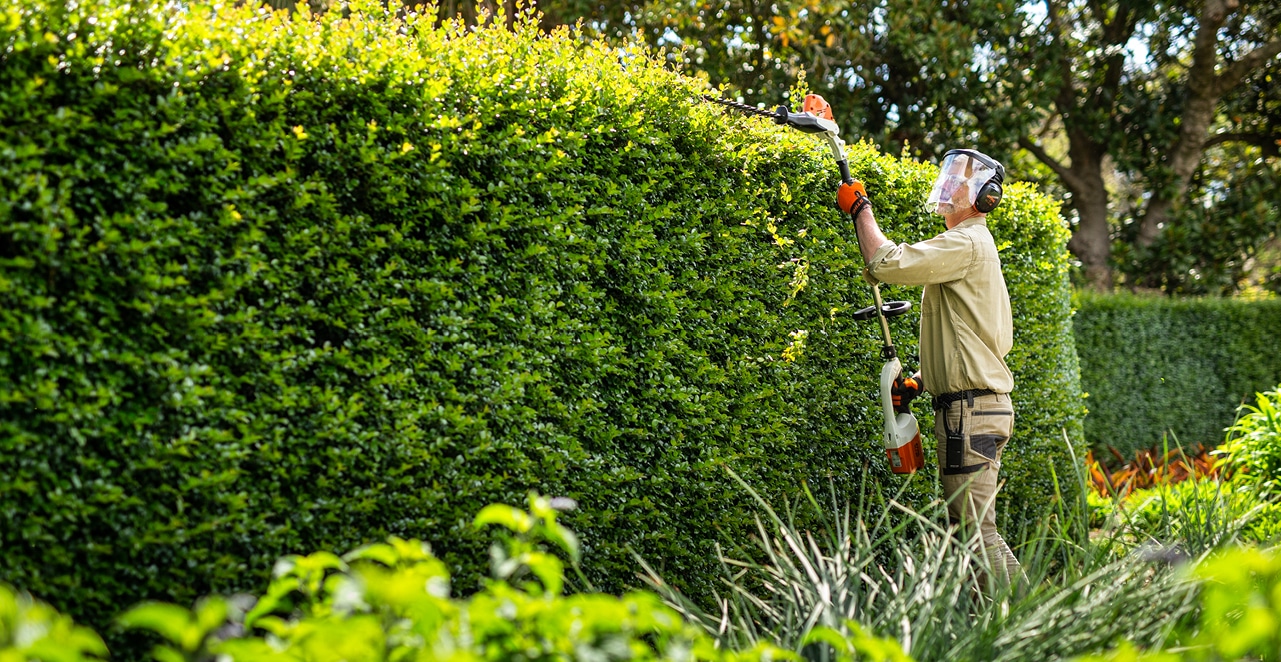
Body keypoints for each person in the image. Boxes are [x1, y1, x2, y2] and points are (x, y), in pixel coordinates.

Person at [837, 149, 1022, 587]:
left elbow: (884, 262)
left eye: (960, 181)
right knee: (973, 531)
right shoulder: (972, 247)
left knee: (976, 534)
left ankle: (1038, 628)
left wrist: (861, 209)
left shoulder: (968, 242)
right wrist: (921, 381)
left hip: (970, 413)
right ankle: (1009, 623)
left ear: (986, 196)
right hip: (973, 408)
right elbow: (971, 336)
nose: (949, 187)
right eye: (950, 177)